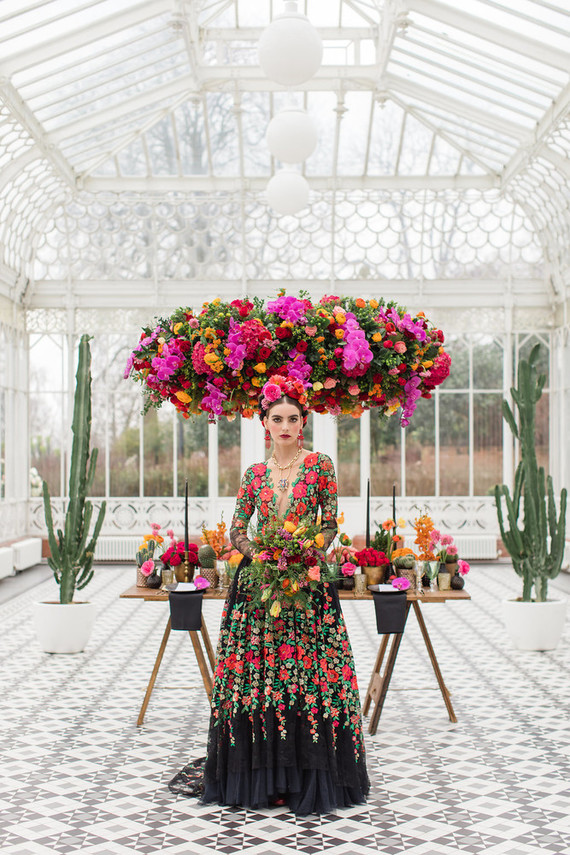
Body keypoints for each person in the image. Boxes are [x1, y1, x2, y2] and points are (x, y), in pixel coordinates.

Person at [170, 375, 369, 815]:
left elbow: (332, 522)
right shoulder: (254, 474)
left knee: (306, 672)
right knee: (261, 676)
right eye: (277, 418)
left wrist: (305, 551)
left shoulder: (321, 466)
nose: (285, 425)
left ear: (303, 423)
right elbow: (239, 527)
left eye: (293, 418)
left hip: (307, 582)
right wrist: (259, 555)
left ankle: (306, 774)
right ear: (265, 423)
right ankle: (262, 774)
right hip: (258, 587)